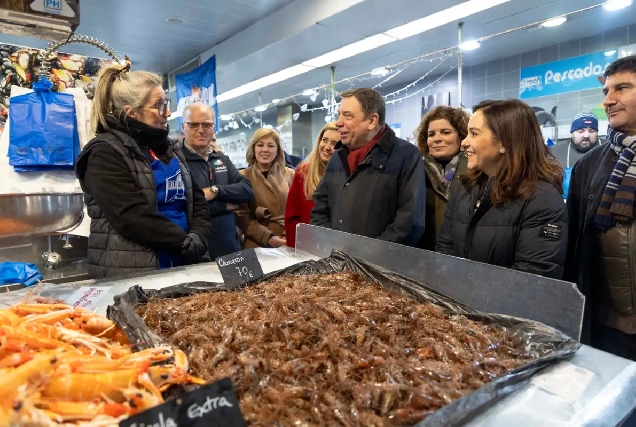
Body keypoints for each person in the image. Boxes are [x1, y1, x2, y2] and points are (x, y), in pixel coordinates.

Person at [75, 65, 211, 279]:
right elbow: (130, 215)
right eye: (159, 106)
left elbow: (198, 201)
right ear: (132, 112)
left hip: (184, 264)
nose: (167, 112)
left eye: (166, 104)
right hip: (133, 271)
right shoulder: (103, 152)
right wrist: (183, 242)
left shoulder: (172, 150)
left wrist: (197, 236)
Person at [436, 99, 567, 279]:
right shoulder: (463, 187)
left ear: (505, 142)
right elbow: (445, 248)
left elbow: (535, 275)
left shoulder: (541, 197)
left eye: (474, 134)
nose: (464, 143)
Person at [566, 55, 636, 359]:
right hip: (607, 324)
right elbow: (575, 245)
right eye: (606, 92)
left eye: (621, 89)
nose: (608, 101)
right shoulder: (589, 165)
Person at [310, 88, 426, 245]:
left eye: (348, 115)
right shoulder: (338, 156)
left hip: (380, 265)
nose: (339, 122)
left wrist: (370, 255)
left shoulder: (407, 156)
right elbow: (320, 206)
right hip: (337, 261)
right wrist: (331, 244)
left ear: (372, 121)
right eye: (339, 114)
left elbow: (410, 221)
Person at [181, 103, 254, 260]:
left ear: (214, 127)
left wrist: (215, 191)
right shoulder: (175, 161)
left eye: (206, 124)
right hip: (197, 254)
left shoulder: (221, 159)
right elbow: (186, 206)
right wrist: (224, 205)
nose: (201, 130)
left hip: (230, 250)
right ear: (183, 127)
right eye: (193, 125)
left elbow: (246, 190)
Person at [415, 106, 469, 250]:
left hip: (466, 259)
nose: (437, 139)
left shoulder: (475, 170)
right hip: (425, 256)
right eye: (431, 134)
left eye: (446, 132)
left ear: (462, 136)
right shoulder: (415, 170)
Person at [236, 128, 295, 249]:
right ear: (253, 148)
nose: (265, 150)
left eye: (271, 146)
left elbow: (297, 210)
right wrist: (268, 238)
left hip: (287, 241)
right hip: (256, 243)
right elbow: (241, 217)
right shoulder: (242, 176)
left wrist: (286, 235)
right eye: (260, 145)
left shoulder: (290, 174)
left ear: (278, 150)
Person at [285, 122, 338, 247]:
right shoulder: (303, 172)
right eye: (324, 140)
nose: (327, 147)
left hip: (336, 247)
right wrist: (295, 250)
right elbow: (292, 218)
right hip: (307, 247)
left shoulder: (346, 175)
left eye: (334, 144)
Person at [551, 112, 603, 198]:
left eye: (592, 131)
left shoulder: (609, 149)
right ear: (572, 132)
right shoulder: (555, 151)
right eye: (581, 131)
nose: (586, 135)